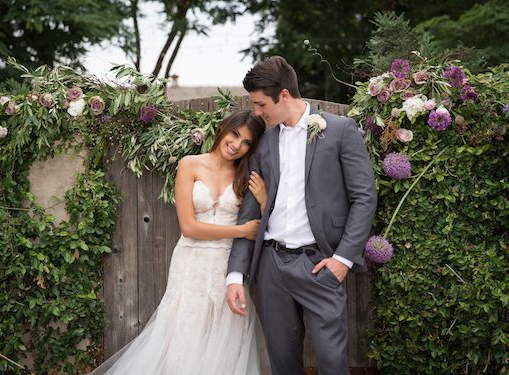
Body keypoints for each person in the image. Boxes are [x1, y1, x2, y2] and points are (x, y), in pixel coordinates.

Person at [226, 56, 378, 375]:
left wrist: (343, 259)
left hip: (319, 264)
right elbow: (249, 212)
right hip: (271, 266)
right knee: (282, 362)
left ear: (283, 95)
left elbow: (364, 197)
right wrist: (235, 275)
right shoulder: (263, 143)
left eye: (260, 103)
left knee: (333, 361)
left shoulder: (339, 130)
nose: (256, 112)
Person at [91, 109, 267, 375]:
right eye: (235, 134)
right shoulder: (190, 164)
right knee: (186, 329)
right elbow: (189, 227)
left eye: (246, 142)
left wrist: (263, 200)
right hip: (191, 260)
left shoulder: (245, 176)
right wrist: (240, 231)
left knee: (225, 332)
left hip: (226, 264)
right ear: (223, 129)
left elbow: (262, 225)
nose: (237, 145)